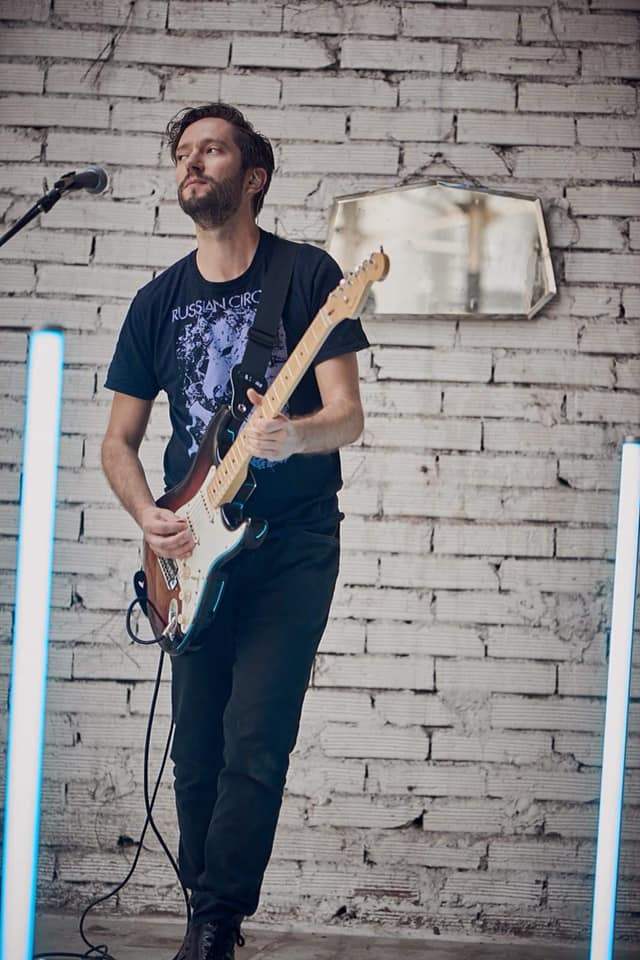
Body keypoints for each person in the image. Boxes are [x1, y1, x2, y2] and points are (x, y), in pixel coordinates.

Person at [101, 103, 369, 960]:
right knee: (197, 750)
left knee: (257, 738)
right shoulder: (157, 302)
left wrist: (295, 435)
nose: (194, 161)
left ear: (252, 175)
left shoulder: (309, 275)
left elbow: (346, 417)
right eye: (183, 151)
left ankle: (218, 922)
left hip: (291, 546)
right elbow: (119, 441)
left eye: (212, 149)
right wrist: (150, 514)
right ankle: (199, 908)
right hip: (191, 545)